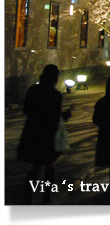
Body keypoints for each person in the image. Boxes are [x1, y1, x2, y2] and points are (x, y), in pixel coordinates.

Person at [17, 64, 71, 204]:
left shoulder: (33, 90)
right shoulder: (55, 95)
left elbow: (26, 110)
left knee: (35, 166)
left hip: (33, 132)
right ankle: (46, 196)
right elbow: (55, 116)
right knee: (49, 166)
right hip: (48, 135)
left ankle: (27, 195)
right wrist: (65, 115)